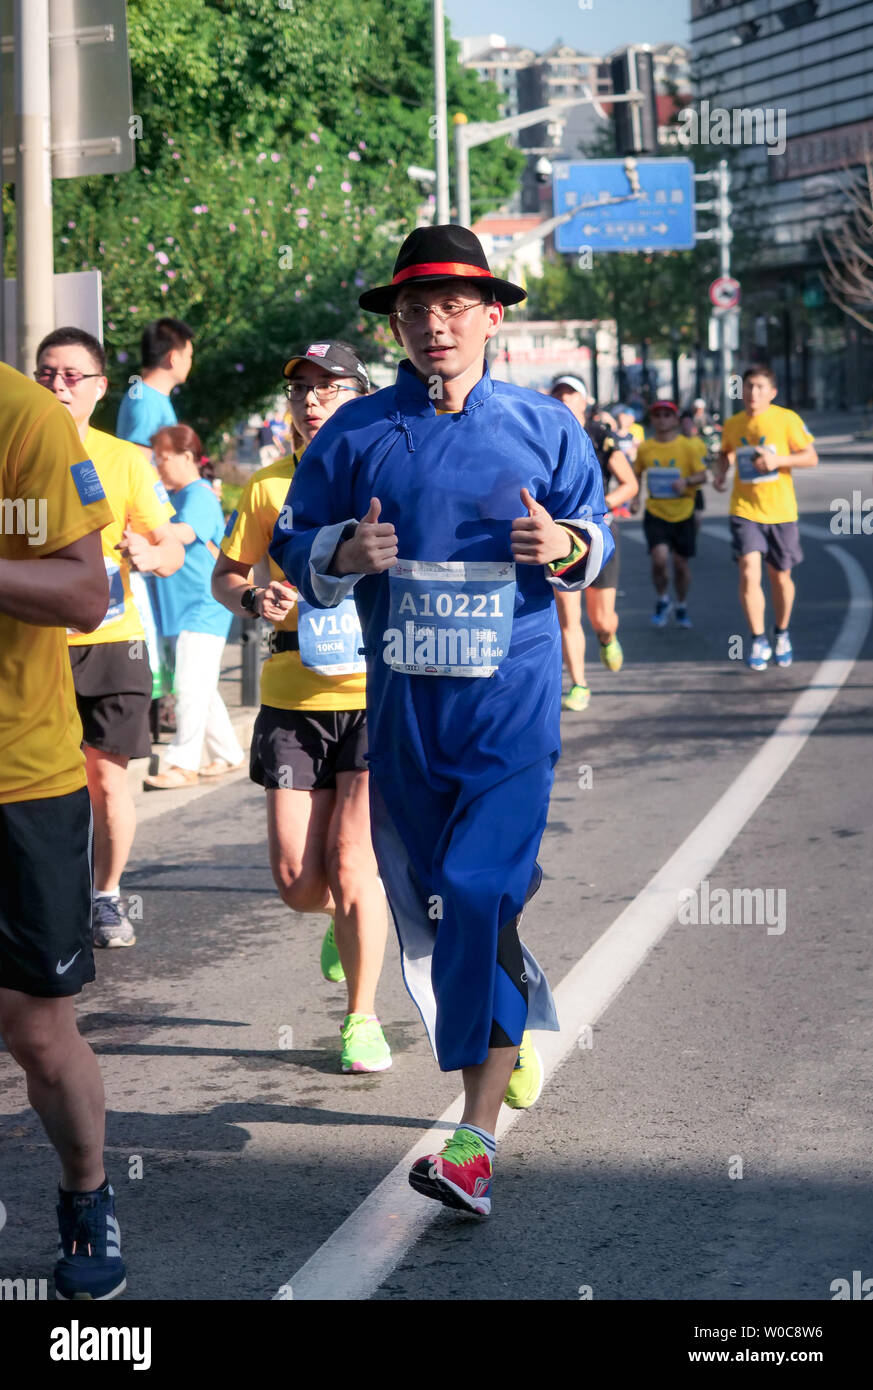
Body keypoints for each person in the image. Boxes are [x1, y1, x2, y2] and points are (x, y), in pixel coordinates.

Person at [270, 225, 612, 1216]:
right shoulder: (356, 432)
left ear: (493, 316)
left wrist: (563, 544)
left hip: (510, 716)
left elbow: (599, 549)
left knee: (474, 889)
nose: (435, 324)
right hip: (405, 719)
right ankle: (506, 1026)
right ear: (397, 326)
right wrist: (342, 551)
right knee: (437, 904)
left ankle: (473, 1136)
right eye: (416, 309)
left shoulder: (543, 429)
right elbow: (293, 543)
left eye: (455, 306)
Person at [213, 341, 391, 1074]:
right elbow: (225, 576)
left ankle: (362, 1017)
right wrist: (256, 596)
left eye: (330, 388)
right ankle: (341, 922)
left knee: (353, 864)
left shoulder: (388, 477)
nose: (312, 401)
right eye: (301, 391)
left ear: (360, 395)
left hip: (377, 694)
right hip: (293, 695)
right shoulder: (267, 488)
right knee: (297, 881)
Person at [0, 362, 127, 1300]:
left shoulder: (24, 418)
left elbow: (86, 593)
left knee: (37, 1034)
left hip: (19, 778)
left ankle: (86, 1195)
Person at [35, 328, 184, 948]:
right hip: (32, 645)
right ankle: (44, 897)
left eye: (71, 376)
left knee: (105, 780)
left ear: (99, 388)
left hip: (111, 640)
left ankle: (105, 896)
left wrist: (151, 552)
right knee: (39, 783)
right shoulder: (12, 453)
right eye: (45, 374)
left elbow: (172, 543)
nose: (57, 386)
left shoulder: (124, 458)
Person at [143, 425, 244, 787]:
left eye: (162, 459)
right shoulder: (181, 495)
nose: (158, 466)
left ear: (186, 457)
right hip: (184, 609)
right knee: (200, 685)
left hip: (203, 607)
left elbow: (181, 535)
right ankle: (228, 753)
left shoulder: (198, 495)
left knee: (189, 684)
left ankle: (183, 763)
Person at [713, 366, 817, 670]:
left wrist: (779, 459)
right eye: (748, 387)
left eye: (759, 387)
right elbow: (726, 452)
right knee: (748, 569)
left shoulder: (786, 419)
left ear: (772, 392)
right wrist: (721, 473)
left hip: (781, 511)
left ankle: (781, 633)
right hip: (745, 509)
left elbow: (811, 456)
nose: (753, 393)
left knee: (781, 576)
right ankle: (758, 638)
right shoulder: (733, 424)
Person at [549, 377, 638, 712]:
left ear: (584, 401)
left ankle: (607, 637)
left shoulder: (601, 435)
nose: (563, 399)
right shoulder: (547, 434)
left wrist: (602, 506)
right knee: (568, 617)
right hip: (562, 539)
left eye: (570, 394)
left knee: (602, 619)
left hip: (599, 537)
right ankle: (579, 684)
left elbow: (629, 484)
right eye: (558, 393)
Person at [631, 400, 707, 628]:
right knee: (660, 559)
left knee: (681, 565)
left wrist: (687, 481)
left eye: (667, 414)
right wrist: (635, 498)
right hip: (656, 511)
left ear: (675, 419)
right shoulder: (645, 448)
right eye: (657, 415)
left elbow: (703, 476)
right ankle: (663, 599)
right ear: (652, 420)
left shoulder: (688, 446)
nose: (662, 419)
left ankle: (681, 604)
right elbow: (637, 475)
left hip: (684, 512)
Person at [116, 317, 194, 460]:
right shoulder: (146, 401)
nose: (190, 363)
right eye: (189, 356)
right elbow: (140, 458)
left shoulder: (149, 396)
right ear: (173, 358)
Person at [679, 409, 710, 532]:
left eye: (688, 423)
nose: (686, 426)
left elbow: (703, 463)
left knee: (697, 517)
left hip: (696, 487)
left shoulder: (699, 443)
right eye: (684, 423)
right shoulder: (677, 442)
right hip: (681, 487)